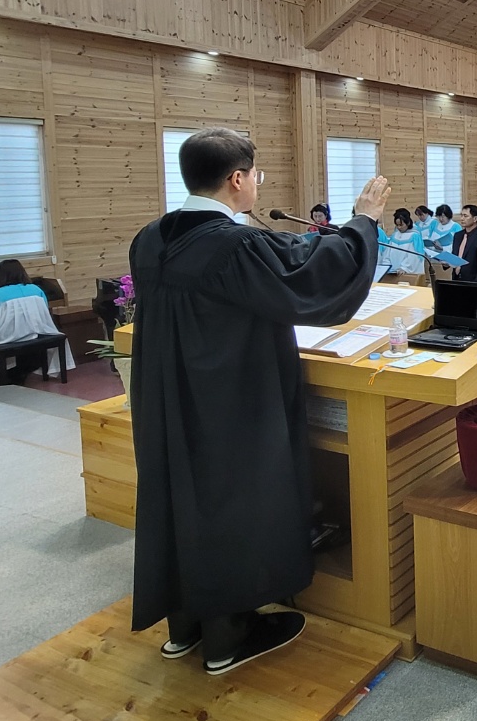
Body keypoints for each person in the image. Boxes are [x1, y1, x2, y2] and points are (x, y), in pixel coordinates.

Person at [127, 129, 388, 675]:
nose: (257, 184)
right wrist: (364, 220)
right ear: (237, 178)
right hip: (229, 400)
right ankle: (228, 635)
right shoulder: (234, 245)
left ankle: (185, 627)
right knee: (234, 502)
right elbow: (316, 276)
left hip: (169, 403)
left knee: (180, 497)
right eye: (256, 174)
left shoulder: (149, 239)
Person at [0, 259, 73, 386]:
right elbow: (44, 311)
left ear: (0, 275)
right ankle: (21, 371)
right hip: (33, 332)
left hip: (6, 337)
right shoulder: (36, 289)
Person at [378, 208, 427, 275]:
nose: (399, 227)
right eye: (397, 225)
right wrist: (386, 265)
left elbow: (414, 257)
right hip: (393, 272)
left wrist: (404, 268)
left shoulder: (414, 236)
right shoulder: (394, 235)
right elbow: (387, 253)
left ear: (408, 223)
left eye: (401, 225)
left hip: (406, 273)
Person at [451, 207, 477, 282]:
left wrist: (476, 284)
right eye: (461, 215)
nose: (462, 219)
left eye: (465, 216)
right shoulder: (457, 235)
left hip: (472, 281)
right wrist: (447, 263)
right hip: (456, 279)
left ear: (475, 219)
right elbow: (455, 255)